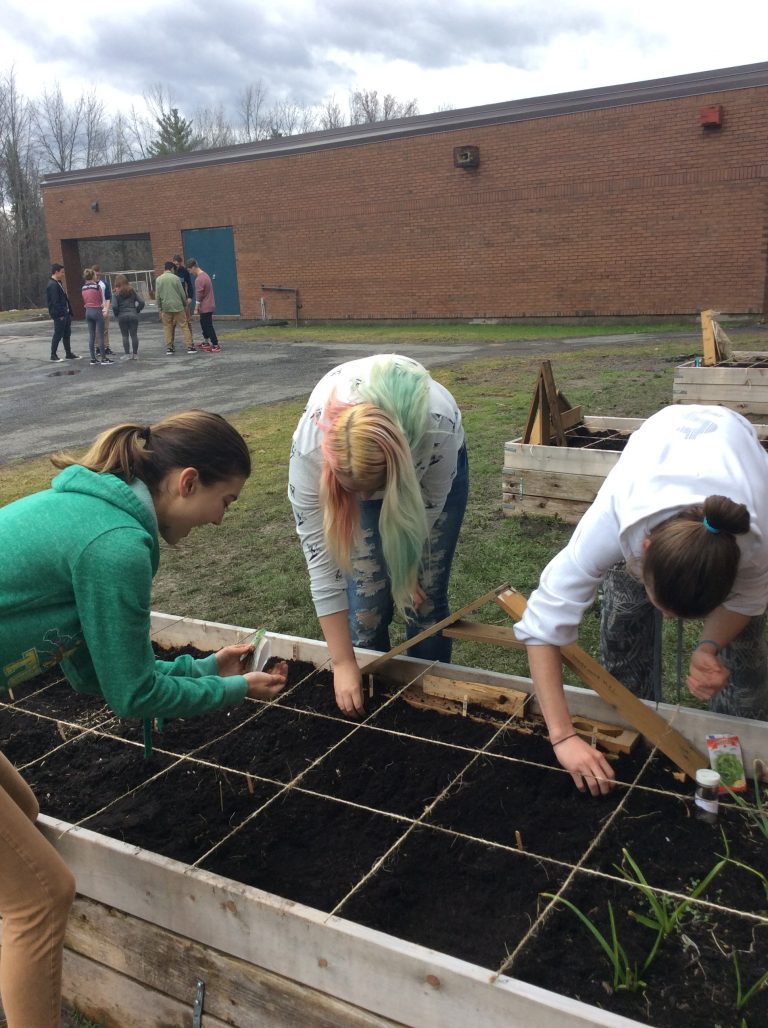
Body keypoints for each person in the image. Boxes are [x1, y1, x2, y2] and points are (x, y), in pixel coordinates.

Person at [0, 409, 287, 1028]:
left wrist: (208, 670)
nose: (221, 518)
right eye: (225, 500)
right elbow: (131, 697)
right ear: (187, 482)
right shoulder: (116, 544)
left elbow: (92, 672)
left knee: (21, 818)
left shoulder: (92, 515)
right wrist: (235, 690)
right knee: (42, 895)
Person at [514, 404, 768, 796]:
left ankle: (735, 764)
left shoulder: (757, 539)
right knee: (623, 631)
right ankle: (635, 734)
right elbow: (542, 623)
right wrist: (562, 736)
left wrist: (709, 645)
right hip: (658, 443)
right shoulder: (616, 518)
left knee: (745, 663)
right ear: (643, 550)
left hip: (732, 442)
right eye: (663, 604)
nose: (668, 619)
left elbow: (747, 601)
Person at [289, 354, 468, 717]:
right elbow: (323, 569)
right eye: (356, 494)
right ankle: (375, 699)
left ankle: (429, 705)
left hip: (424, 467)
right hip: (363, 470)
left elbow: (429, 511)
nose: (366, 503)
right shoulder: (309, 453)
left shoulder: (438, 430)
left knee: (425, 601)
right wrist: (341, 663)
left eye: (372, 493)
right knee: (366, 610)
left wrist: (410, 570)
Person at [155, 261, 195, 354]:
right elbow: (182, 293)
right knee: (184, 325)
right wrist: (184, 303)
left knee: (167, 326)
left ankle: (169, 347)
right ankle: (190, 346)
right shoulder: (176, 278)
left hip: (166, 307)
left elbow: (157, 296)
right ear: (172, 269)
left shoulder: (158, 279)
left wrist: (160, 307)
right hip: (178, 306)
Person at [45, 263, 80, 361]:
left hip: (66, 313)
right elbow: (55, 302)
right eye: (62, 272)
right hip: (60, 315)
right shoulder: (52, 285)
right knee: (58, 334)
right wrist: (60, 314)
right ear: (56, 272)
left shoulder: (58, 283)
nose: (63, 274)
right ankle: (53, 355)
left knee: (66, 334)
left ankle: (68, 353)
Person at [186, 258, 221, 353]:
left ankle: (215, 344)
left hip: (205, 306)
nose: (190, 273)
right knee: (204, 324)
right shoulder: (205, 275)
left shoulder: (199, 279)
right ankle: (206, 342)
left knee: (208, 325)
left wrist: (196, 308)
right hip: (209, 305)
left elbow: (199, 295)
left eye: (189, 270)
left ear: (193, 267)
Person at [81, 268, 112, 366]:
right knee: (101, 335)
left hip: (88, 311)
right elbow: (101, 300)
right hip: (97, 310)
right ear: (93, 276)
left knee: (92, 335)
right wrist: (104, 309)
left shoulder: (83, 287)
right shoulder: (97, 286)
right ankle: (103, 358)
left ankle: (93, 358)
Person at [112, 274, 146, 360]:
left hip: (122, 316)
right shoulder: (132, 291)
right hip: (133, 315)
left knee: (125, 336)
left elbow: (115, 306)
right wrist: (137, 310)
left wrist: (117, 314)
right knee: (134, 335)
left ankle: (127, 354)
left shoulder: (116, 293)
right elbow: (141, 302)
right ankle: (135, 354)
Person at [172, 253, 195, 344]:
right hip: (173, 300)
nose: (176, 266)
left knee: (187, 321)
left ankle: (190, 340)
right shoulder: (171, 272)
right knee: (172, 323)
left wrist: (190, 297)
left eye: (177, 264)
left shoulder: (184, 271)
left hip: (183, 299)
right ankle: (171, 343)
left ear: (181, 263)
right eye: (174, 264)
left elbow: (189, 284)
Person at [90, 264, 113, 355]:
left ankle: (106, 346)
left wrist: (107, 309)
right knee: (96, 330)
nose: (97, 276)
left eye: (98, 274)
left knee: (105, 329)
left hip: (104, 308)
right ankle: (98, 347)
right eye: (95, 274)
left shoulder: (104, 284)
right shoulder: (89, 285)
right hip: (94, 310)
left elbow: (108, 297)